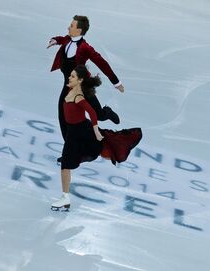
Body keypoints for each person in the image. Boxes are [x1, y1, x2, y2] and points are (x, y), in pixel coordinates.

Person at [51, 65, 141, 211]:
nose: (69, 77)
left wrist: (96, 131)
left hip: (81, 129)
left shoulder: (79, 96)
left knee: (78, 157)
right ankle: (65, 197)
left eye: (72, 76)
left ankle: (108, 113)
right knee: (67, 162)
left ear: (79, 80)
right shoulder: (70, 88)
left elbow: (92, 114)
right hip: (74, 129)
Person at [47, 15, 124, 143]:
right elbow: (62, 39)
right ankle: (69, 151)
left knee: (97, 114)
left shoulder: (85, 48)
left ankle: (107, 112)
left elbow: (102, 63)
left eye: (71, 25)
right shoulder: (67, 40)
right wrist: (55, 40)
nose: (68, 27)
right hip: (68, 86)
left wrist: (116, 82)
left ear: (79, 30)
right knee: (63, 116)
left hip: (83, 86)